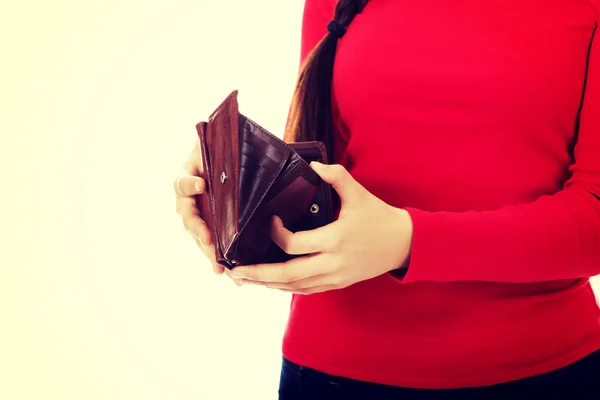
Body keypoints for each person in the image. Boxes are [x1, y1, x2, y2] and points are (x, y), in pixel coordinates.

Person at [174, 0, 600, 398]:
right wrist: (235, 174)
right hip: (330, 372)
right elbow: (321, 173)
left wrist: (410, 241)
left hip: (544, 373)